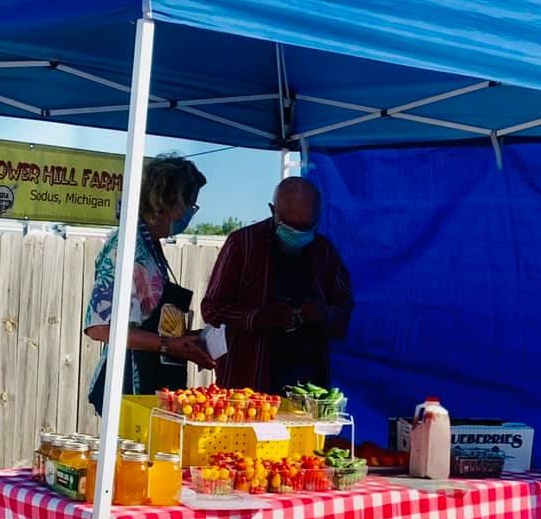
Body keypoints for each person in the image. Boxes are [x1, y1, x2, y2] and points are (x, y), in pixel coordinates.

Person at [84, 155, 215, 414]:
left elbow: (149, 319)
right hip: (131, 388)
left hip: (156, 385)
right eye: (190, 204)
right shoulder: (126, 246)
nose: (190, 213)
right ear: (169, 201)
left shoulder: (151, 246)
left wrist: (187, 339)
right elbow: (100, 328)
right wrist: (168, 345)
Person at [201, 176, 353, 393]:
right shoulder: (242, 245)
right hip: (248, 382)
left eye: (305, 226)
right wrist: (260, 317)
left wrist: (323, 314)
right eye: (289, 224)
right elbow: (211, 309)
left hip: (307, 384)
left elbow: (344, 312)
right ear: (273, 211)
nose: (297, 233)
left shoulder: (324, 252)